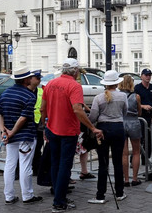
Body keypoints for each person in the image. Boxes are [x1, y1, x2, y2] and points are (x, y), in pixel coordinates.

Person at [41, 58, 104, 212]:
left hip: (52, 129)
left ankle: (58, 195)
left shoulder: (51, 83)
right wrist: (92, 127)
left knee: (55, 163)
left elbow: (43, 108)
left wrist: (45, 126)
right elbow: (77, 109)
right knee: (65, 165)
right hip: (68, 131)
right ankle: (59, 202)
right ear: (75, 71)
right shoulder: (74, 85)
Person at [0, 67, 42, 205]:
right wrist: (13, 131)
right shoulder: (29, 95)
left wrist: (4, 131)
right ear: (26, 79)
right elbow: (24, 118)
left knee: (10, 164)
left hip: (10, 137)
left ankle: (9, 196)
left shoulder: (5, 94)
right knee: (25, 165)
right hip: (25, 135)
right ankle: (27, 195)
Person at [88, 70, 128, 204]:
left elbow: (93, 116)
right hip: (118, 128)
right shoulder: (123, 96)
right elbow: (125, 111)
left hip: (103, 129)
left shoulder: (98, 98)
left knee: (103, 163)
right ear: (116, 83)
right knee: (117, 162)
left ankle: (100, 195)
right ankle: (120, 192)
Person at [120, 75, 142, 187]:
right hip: (134, 122)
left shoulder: (118, 96)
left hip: (122, 123)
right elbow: (140, 112)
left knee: (124, 154)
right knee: (136, 152)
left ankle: (126, 179)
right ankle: (134, 178)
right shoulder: (136, 96)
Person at [134, 68, 152, 169]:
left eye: (149, 75)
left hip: (151, 117)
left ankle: (146, 159)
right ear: (141, 76)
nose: (148, 77)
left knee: (150, 140)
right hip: (141, 117)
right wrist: (143, 106)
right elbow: (134, 102)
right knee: (140, 139)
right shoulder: (137, 88)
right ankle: (133, 159)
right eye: (146, 75)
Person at [30, 70, 44, 177]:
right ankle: (18, 171)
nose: (39, 80)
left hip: (38, 123)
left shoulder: (41, 91)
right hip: (27, 122)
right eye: (37, 78)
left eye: (40, 78)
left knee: (38, 146)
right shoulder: (25, 91)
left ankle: (37, 169)